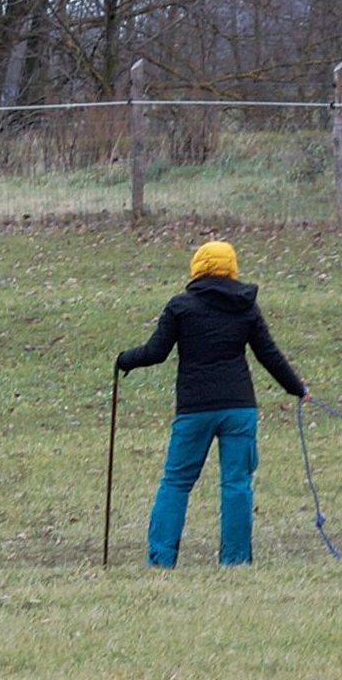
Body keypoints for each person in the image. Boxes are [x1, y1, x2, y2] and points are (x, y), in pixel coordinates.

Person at [116, 240, 309, 567]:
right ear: (232, 267)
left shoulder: (181, 307)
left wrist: (124, 360)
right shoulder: (246, 307)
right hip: (239, 408)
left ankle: (161, 560)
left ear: (198, 266)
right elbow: (269, 355)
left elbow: (156, 352)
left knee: (176, 482)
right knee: (236, 484)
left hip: (194, 408)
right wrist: (297, 388)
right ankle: (235, 560)